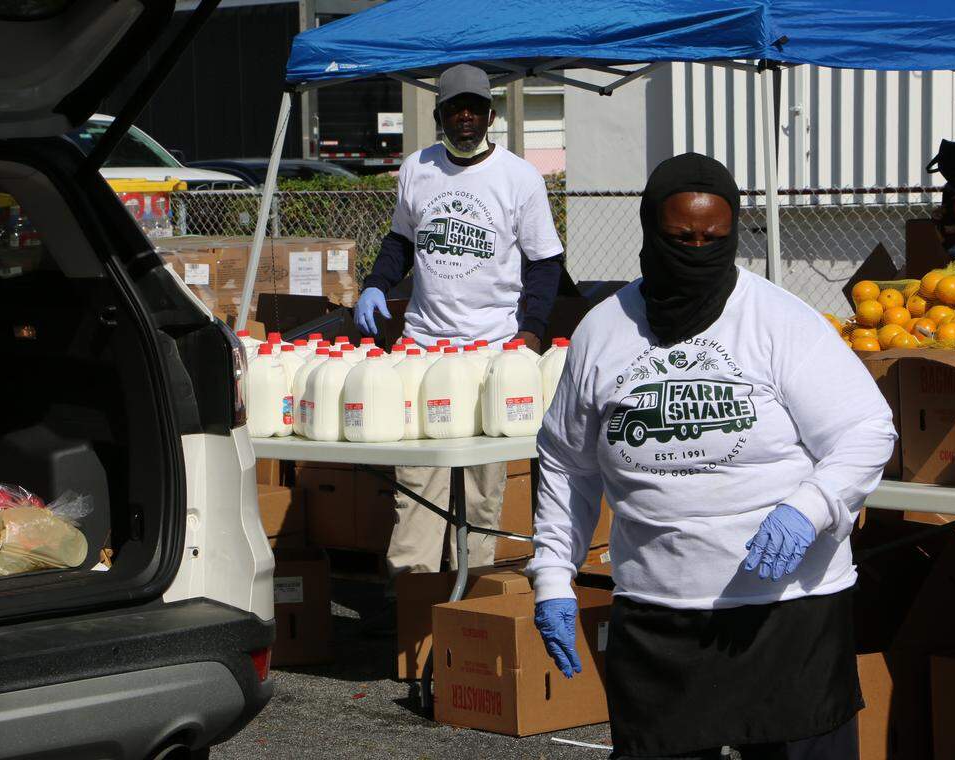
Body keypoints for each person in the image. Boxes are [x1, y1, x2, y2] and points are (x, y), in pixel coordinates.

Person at [527, 153, 896, 759]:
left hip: (786, 617)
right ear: (650, 233)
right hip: (658, 616)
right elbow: (568, 461)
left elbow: (865, 429)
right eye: (680, 239)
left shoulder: (781, 321)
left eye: (714, 239)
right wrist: (551, 576)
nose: (697, 251)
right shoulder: (604, 330)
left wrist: (811, 506)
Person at [355, 64, 564, 579]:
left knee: (480, 493)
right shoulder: (417, 169)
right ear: (438, 116)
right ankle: (414, 603)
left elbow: (544, 263)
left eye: (474, 108)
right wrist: (376, 282)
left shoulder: (519, 178)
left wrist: (529, 335)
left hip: (492, 355)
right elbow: (401, 239)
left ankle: (472, 606)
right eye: (454, 109)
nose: (464, 117)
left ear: (491, 115)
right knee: (416, 488)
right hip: (422, 351)